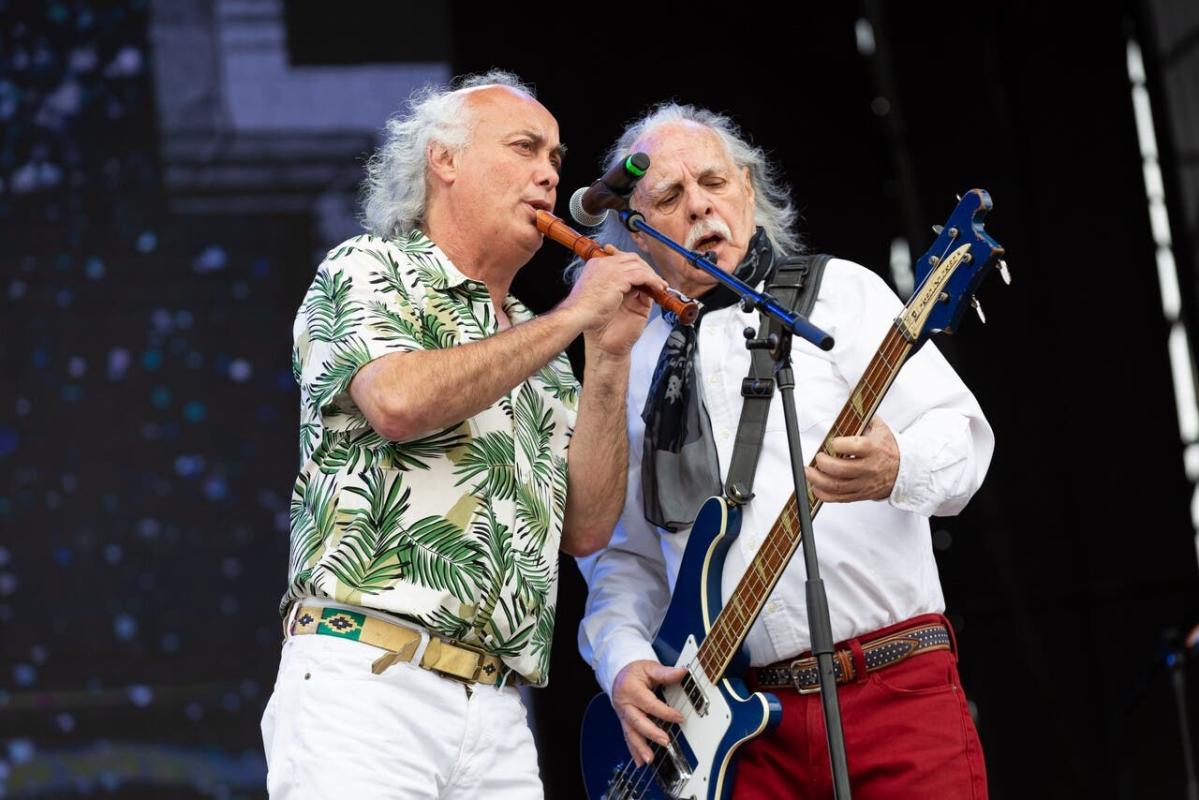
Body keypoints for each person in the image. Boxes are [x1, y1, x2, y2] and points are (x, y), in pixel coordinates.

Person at [260, 71, 666, 799]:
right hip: (366, 684)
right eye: (524, 148)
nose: (549, 174)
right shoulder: (369, 267)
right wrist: (574, 317)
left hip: (499, 709)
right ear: (443, 160)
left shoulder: (540, 346)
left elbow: (585, 530)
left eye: (555, 158)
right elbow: (397, 401)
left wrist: (607, 358)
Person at [576, 103, 994, 799]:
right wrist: (621, 660)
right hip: (736, 733)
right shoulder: (625, 359)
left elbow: (963, 437)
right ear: (635, 230)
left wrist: (898, 465)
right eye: (670, 198)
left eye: (713, 182)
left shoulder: (838, 293)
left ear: (746, 188)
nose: (700, 206)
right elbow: (623, 557)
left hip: (892, 686)